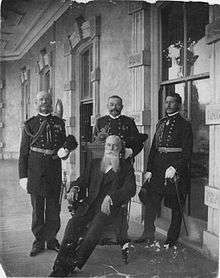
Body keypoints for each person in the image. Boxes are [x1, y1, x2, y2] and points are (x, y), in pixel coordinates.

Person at [49, 135, 136, 277]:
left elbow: (130, 189)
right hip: (89, 206)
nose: (111, 148)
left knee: (93, 231)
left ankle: (71, 265)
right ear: (104, 147)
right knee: (72, 224)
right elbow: (81, 180)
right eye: (108, 145)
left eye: (115, 146)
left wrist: (112, 197)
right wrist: (75, 188)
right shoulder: (95, 163)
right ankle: (59, 266)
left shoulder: (126, 168)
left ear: (120, 149)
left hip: (109, 209)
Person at [18, 91, 76, 257]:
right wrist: (23, 176)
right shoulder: (30, 124)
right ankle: (38, 241)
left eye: (47, 99)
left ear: (51, 102)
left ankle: (51, 240)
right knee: (37, 209)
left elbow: (63, 147)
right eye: (41, 99)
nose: (44, 102)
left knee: (53, 208)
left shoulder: (59, 122)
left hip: (53, 170)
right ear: (36, 103)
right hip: (35, 170)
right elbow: (23, 153)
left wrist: (65, 151)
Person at [136, 93, 193, 248]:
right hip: (158, 168)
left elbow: (187, 152)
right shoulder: (160, 123)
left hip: (175, 170)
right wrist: (149, 169)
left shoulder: (185, 125)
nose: (168, 105)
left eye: (172, 102)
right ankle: (147, 233)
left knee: (176, 205)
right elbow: (154, 148)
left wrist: (176, 167)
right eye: (166, 102)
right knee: (151, 202)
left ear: (179, 105)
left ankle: (171, 238)